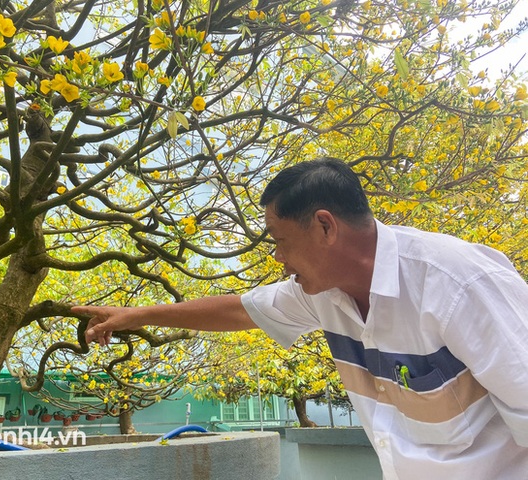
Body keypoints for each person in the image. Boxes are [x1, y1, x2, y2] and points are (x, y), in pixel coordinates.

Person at [72, 157, 528, 479]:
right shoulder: (322, 295)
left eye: (281, 240)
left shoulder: (461, 285)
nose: (278, 258)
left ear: (325, 227)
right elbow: (239, 308)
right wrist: (138, 315)